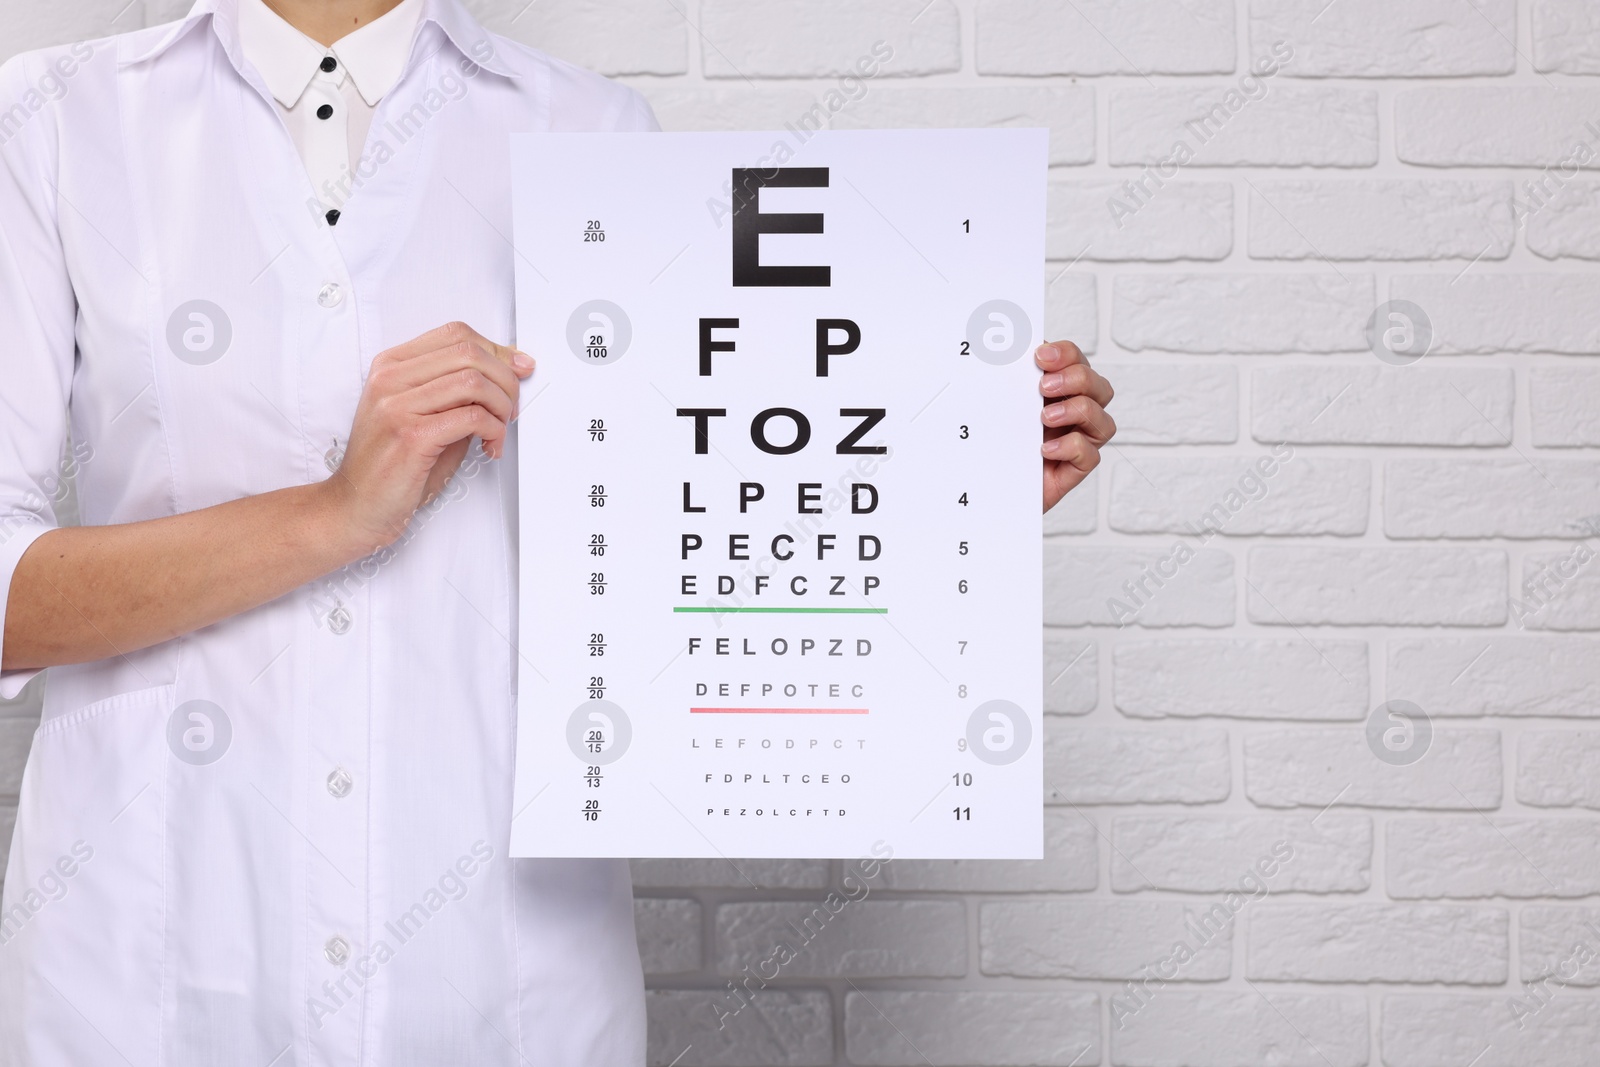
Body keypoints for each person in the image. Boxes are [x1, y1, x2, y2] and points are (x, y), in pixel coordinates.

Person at [0, 0, 1116, 1061]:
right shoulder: (55, 121)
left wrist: (933, 484)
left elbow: (672, 540)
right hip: (148, 965)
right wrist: (336, 513)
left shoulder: (587, 130)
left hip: (497, 965)